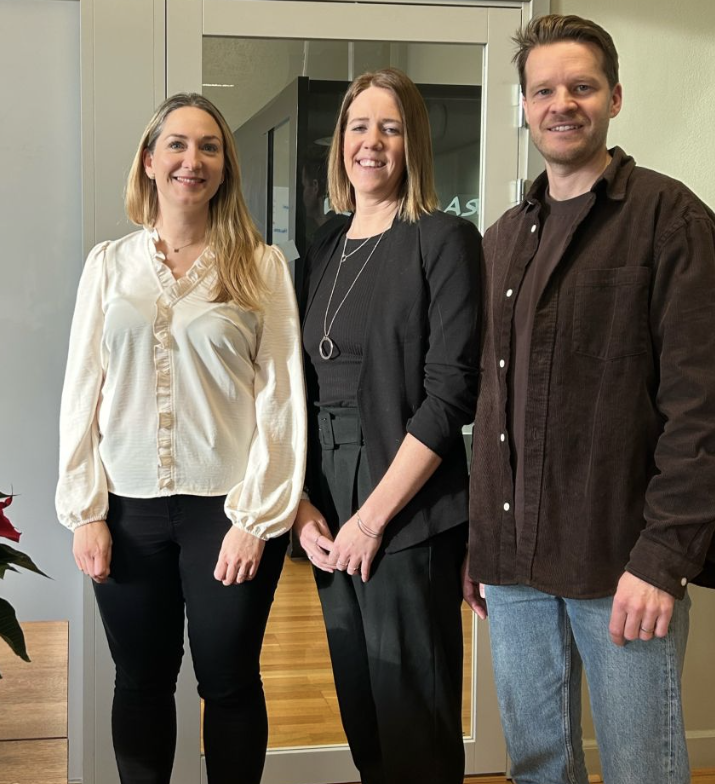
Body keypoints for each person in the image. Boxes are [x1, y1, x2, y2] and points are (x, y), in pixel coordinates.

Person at [467, 14, 715, 784]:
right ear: (524, 107)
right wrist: (482, 546)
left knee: (641, 769)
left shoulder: (671, 219)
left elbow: (703, 409)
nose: (562, 104)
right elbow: (491, 406)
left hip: (621, 560)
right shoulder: (499, 240)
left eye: (581, 87)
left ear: (614, 98)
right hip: (513, 565)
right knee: (536, 766)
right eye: (543, 91)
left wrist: (663, 559)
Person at [55, 93, 306, 784]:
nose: (192, 160)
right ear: (149, 160)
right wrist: (86, 511)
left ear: (224, 167)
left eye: (209, 147)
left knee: (228, 681)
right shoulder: (108, 265)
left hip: (227, 510)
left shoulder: (261, 266)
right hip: (126, 509)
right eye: (177, 144)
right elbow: (81, 391)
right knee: (140, 681)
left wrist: (257, 519)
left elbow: (281, 398)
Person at [292, 67, 483, 784]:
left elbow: (450, 394)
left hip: (405, 495)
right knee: (362, 705)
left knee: (413, 717)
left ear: (414, 144)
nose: (371, 142)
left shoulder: (444, 238)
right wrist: (301, 503)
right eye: (359, 125)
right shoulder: (325, 244)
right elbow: (295, 386)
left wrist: (372, 519)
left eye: (391, 128)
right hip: (326, 489)